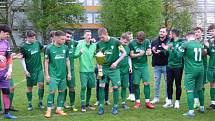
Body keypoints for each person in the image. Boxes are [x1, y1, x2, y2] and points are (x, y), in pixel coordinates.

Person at [96, 28, 126, 115]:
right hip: (104, 68)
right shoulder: (99, 44)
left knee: (116, 87)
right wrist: (100, 70)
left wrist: (116, 63)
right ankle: (101, 107)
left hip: (114, 69)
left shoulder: (116, 42)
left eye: (102, 37)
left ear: (106, 34)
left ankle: (115, 107)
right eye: (100, 37)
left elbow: (124, 53)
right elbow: (99, 58)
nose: (101, 39)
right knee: (101, 86)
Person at [176, 32, 205, 117]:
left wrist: (175, 49)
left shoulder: (185, 44)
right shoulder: (199, 44)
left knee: (189, 90)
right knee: (199, 89)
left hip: (191, 70)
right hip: (200, 69)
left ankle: (191, 111)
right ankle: (202, 107)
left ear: (188, 37)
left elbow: (178, 56)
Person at [44, 30, 71, 118]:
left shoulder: (65, 48)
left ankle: (59, 109)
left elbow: (67, 60)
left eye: (64, 39)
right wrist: (47, 75)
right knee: (52, 91)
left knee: (62, 92)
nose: (64, 41)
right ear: (56, 38)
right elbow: (46, 62)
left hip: (63, 75)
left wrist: (69, 73)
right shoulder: (49, 48)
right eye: (62, 39)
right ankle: (48, 110)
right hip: (53, 75)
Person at [129, 31, 154, 109]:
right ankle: (137, 102)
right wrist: (139, 54)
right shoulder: (132, 43)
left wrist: (149, 53)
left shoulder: (146, 41)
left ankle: (147, 102)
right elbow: (131, 55)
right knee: (136, 84)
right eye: (140, 40)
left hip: (144, 66)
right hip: (136, 66)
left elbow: (149, 52)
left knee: (146, 83)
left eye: (142, 40)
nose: (141, 42)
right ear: (137, 38)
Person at [20, 30, 44, 111]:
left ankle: (40, 102)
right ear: (27, 38)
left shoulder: (37, 43)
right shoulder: (23, 47)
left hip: (39, 69)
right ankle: (29, 103)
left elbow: (43, 48)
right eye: (31, 38)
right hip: (30, 70)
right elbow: (22, 59)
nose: (33, 39)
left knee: (41, 84)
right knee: (29, 87)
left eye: (34, 37)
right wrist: (25, 70)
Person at [75, 30, 96, 112]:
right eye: (87, 35)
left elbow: (95, 55)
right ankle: (83, 104)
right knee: (83, 87)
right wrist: (80, 53)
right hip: (83, 70)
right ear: (84, 36)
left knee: (90, 87)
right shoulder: (80, 44)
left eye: (90, 35)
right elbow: (74, 56)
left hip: (91, 70)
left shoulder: (94, 45)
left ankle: (87, 103)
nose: (89, 36)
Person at [162, 29, 184, 109]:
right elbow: (166, 53)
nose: (169, 35)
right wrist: (165, 49)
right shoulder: (169, 42)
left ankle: (177, 101)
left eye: (170, 34)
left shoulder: (181, 43)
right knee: (169, 84)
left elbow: (179, 55)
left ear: (174, 34)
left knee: (178, 84)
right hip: (169, 66)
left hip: (178, 66)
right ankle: (169, 101)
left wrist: (172, 49)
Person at [0, 24, 16, 119]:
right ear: (1, 32)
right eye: (6, 34)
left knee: (6, 92)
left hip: (4, 72)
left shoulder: (6, 43)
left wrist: (9, 70)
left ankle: (7, 113)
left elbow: (9, 57)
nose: (7, 36)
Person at [151, 27, 169, 104]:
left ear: (166, 33)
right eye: (160, 31)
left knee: (167, 82)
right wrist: (152, 51)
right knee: (156, 82)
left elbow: (170, 52)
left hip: (166, 65)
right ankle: (156, 98)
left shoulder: (169, 41)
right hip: (157, 66)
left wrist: (161, 51)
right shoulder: (154, 41)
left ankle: (168, 98)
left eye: (163, 32)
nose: (161, 33)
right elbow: (151, 52)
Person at [64, 30, 78, 111]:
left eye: (70, 37)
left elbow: (81, 43)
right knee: (63, 88)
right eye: (67, 37)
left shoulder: (73, 43)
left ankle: (72, 104)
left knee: (72, 88)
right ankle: (64, 103)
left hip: (71, 70)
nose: (68, 38)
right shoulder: (61, 44)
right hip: (62, 70)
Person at [193, 27, 208, 109]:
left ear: (202, 33)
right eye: (195, 32)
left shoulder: (204, 42)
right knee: (194, 85)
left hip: (203, 66)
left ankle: (201, 103)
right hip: (194, 66)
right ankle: (196, 102)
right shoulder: (193, 42)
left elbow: (205, 54)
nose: (197, 33)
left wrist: (203, 48)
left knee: (201, 85)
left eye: (198, 32)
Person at [119, 33, 132, 109]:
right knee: (116, 87)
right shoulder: (117, 47)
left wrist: (130, 66)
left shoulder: (127, 48)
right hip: (117, 70)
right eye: (124, 42)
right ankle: (115, 103)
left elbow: (129, 58)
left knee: (124, 86)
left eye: (127, 42)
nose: (126, 43)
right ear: (121, 39)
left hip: (125, 70)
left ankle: (123, 102)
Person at [204, 24, 215, 109]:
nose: (211, 32)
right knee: (212, 84)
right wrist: (205, 48)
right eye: (210, 31)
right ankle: (213, 103)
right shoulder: (209, 40)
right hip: (211, 66)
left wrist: (209, 46)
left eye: (212, 30)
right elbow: (208, 53)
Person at [126, 31, 135, 101]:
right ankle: (130, 93)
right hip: (128, 64)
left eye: (132, 36)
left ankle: (133, 94)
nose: (131, 38)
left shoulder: (134, 44)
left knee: (132, 79)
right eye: (129, 36)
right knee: (128, 80)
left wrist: (131, 66)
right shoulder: (126, 45)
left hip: (133, 64)